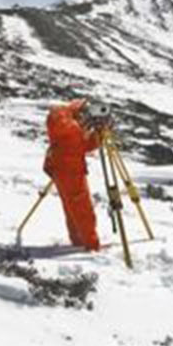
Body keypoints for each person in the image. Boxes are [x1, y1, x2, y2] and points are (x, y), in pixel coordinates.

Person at [43, 99, 110, 251]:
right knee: (82, 209)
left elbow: (83, 145)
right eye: (85, 111)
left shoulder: (71, 124)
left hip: (70, 169)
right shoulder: (61, 117)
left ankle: (79, 239)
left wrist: (100, 133)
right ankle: (91, 244)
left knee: (73, 207)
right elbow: (64, 127)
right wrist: (84, 123)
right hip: (69, 171)